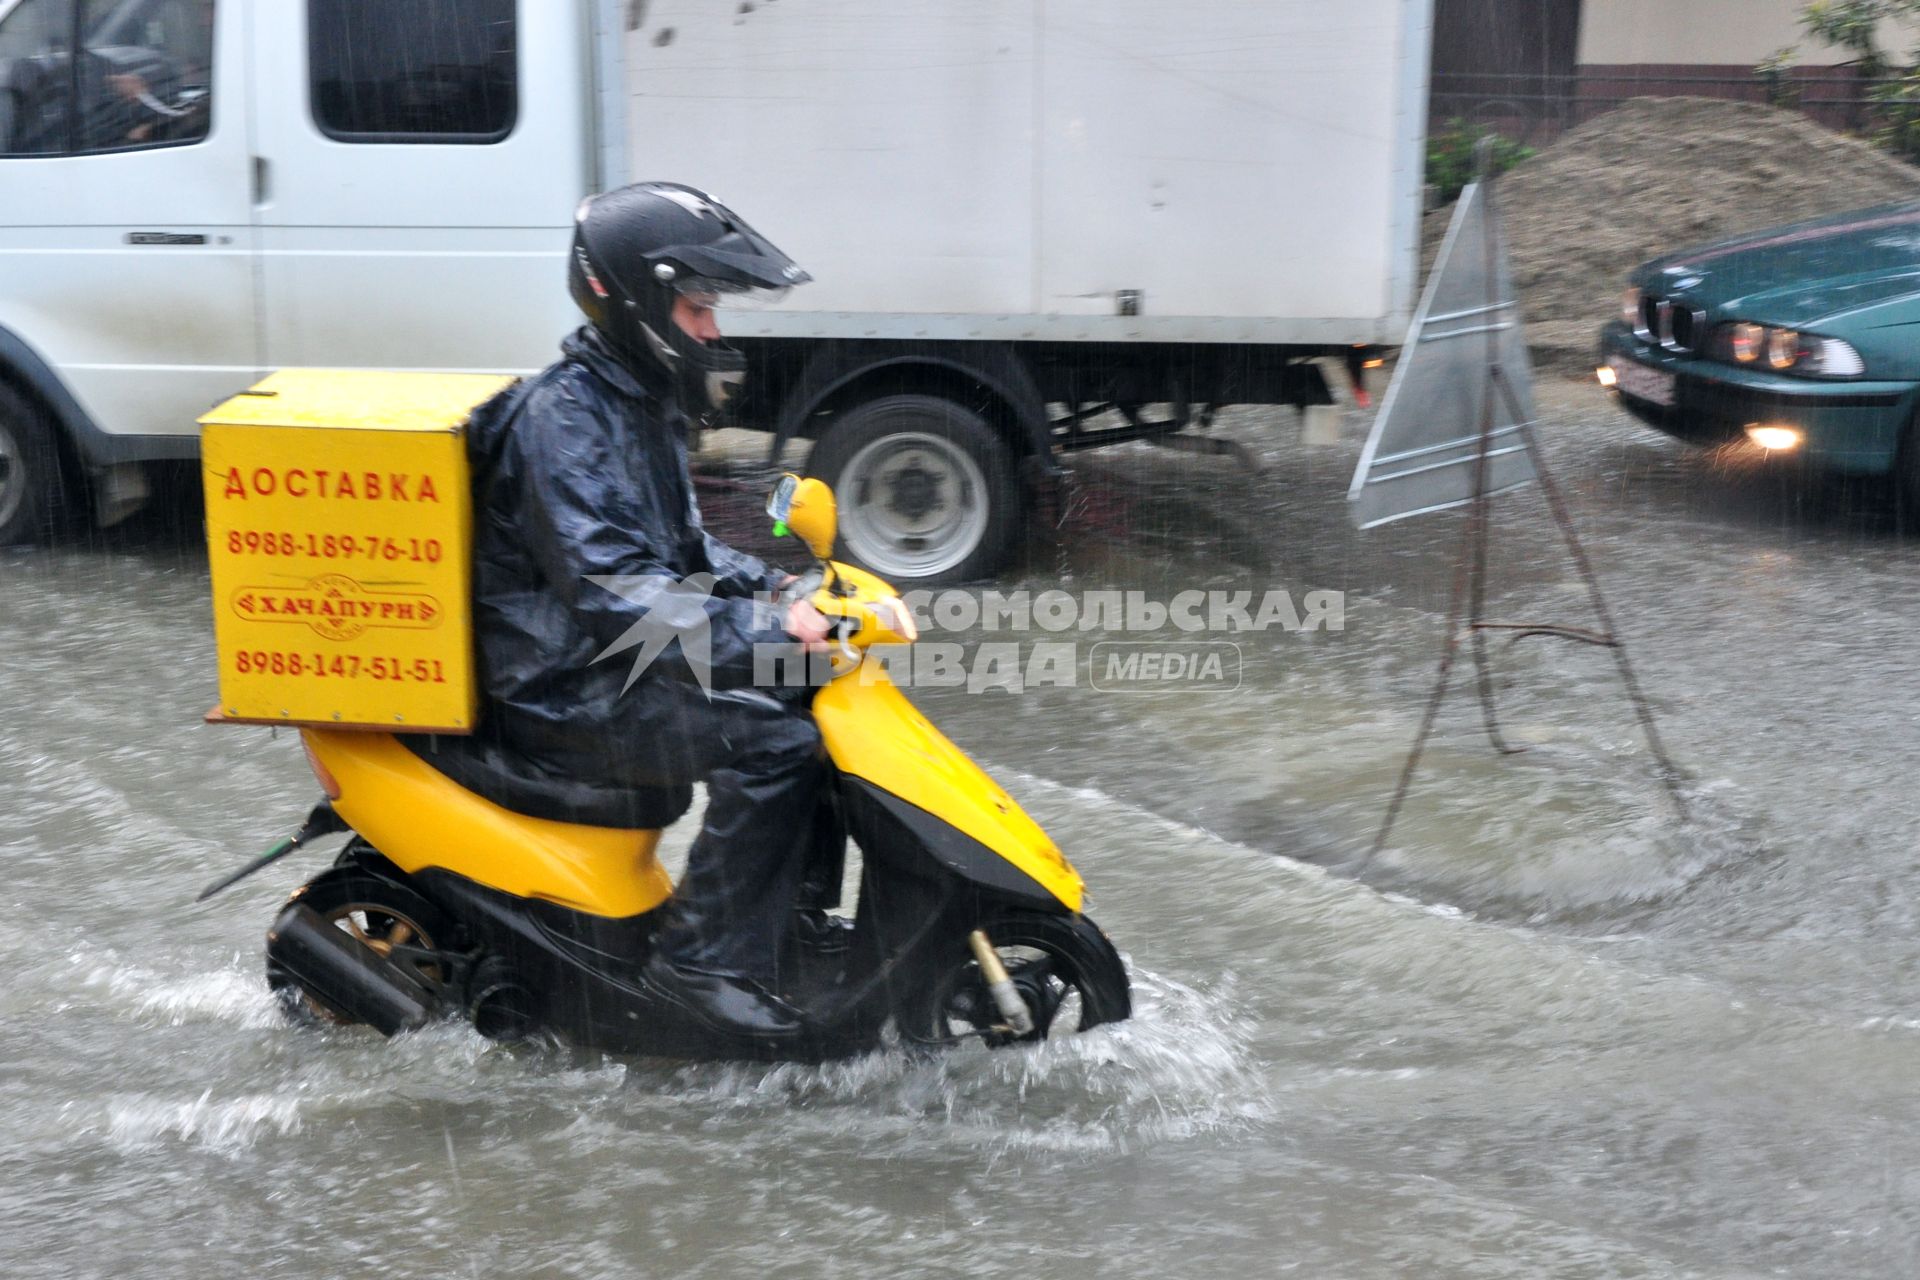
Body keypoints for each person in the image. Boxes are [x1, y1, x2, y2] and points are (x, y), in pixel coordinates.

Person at [462, 182, 834, 1040]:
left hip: (608, 661)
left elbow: (688, 553)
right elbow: (614, 595)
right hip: (564, 685)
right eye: (698, 308)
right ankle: (702, 967)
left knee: (814, 691)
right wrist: (773, 632)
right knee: (778, 740)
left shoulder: (638, 403)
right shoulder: (564, 421)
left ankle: (783, 927)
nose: (711, 330)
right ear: (634, 298)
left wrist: (783, 593)